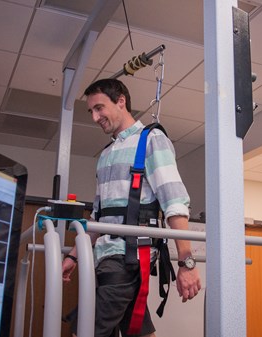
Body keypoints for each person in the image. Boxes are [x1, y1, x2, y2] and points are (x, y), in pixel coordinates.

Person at [62, 78, 202, 337]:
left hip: (127, 258)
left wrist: (187, 263)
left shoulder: (151, 140)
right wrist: (73, 255)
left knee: (85, 330)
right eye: (91, 111)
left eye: (99, 108)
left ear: (121, 101)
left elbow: (174, 201)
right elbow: (98, 217)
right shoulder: (105, 155)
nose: (95, 117)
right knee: (137, 330)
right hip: (104, 258)